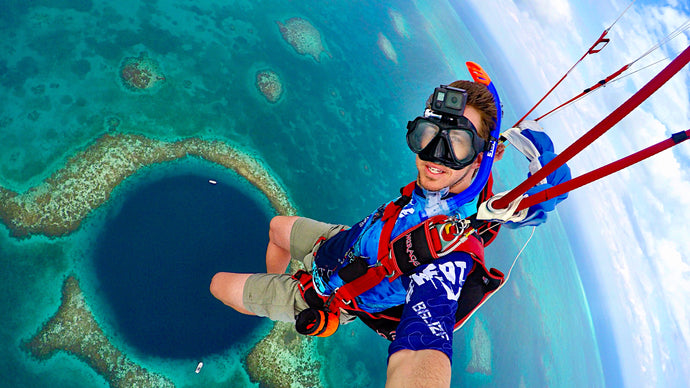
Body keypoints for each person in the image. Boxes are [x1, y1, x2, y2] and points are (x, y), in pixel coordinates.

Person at [210, 78, 565, 387]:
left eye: (457, 144)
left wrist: (295, 296)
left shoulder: (450, 255)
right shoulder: (467, 186)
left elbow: (419, 355)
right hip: (341, 244)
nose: (435, 157)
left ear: (480, 157)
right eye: (428, 136)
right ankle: (277, 288)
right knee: (276, 228)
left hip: (328, 295)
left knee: (219, 286)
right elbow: (504, 200)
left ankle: (276, 304)